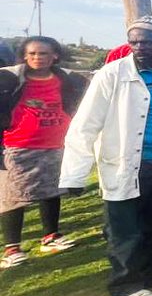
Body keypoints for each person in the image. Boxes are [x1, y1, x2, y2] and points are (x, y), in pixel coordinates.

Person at [60, 16, 152, 296]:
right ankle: (124, 284)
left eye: (146, 41)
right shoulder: (112, 74)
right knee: (124, 226)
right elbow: (84, 126)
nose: (138, 47)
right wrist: (74, 175)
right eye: (133, 41)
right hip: (124, 163)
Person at [0, 36, 89, 267]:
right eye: (32, 54)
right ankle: (12, 248)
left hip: (55, 143)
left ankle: (50, 236)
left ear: (55, 56)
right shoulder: (9, 80)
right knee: (12, 197)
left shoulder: (67, 80)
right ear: (25, 56)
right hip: (17, 145)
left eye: (43, 54)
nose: (37, 58)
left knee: (52, 191)